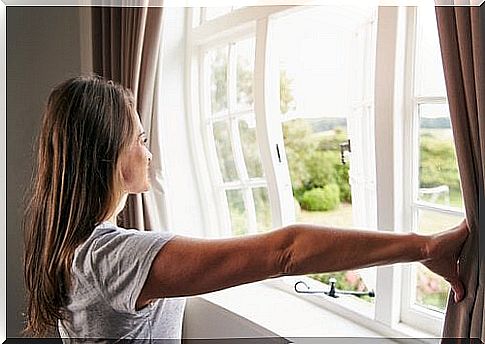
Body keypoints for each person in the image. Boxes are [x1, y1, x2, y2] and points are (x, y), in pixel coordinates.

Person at [23, 75, 468, 341]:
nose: (149, 151)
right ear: (109, 154)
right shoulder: (112, 256)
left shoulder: (68, 239)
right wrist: (425, 246)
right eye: (140, 139)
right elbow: (285, 252)